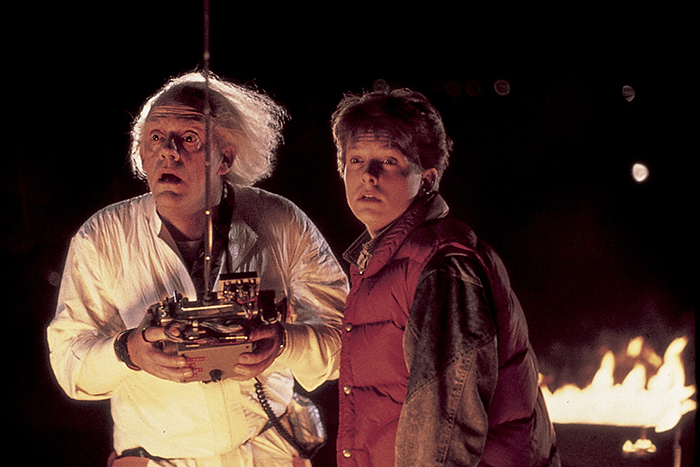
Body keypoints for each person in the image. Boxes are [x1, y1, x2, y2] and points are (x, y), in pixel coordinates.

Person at [47, 71, 348, 467]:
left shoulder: (281, 221)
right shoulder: (101, 237)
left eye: (189, 138)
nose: (168, 153)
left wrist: (284, 342)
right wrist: (129, 351)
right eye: (156, 137)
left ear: (226, 158)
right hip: (160, 458)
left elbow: (347, 339)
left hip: (266, 452)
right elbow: (69, 363)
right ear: (141, 152)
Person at [331, 84, 559, 467]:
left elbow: (444, 428)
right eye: (356, 160)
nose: (368, 175)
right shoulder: (381, 263)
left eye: (388, 160)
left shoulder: (442, 264)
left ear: (427, 179)